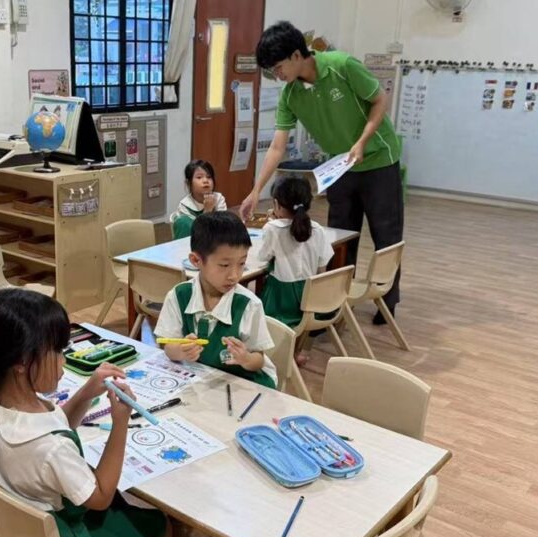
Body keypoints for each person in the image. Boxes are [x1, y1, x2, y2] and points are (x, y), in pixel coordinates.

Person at [0, 289, 170, 537]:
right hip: (66, 533)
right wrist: (120, 423)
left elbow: (54, 424)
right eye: (57, 351)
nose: (63, 361)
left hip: (20, 528)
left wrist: (86, 393)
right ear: (21, 361)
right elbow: (101, 497)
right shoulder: (51, 448)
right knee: (161, 525)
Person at [240, 21, 404, 324]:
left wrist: (362, 141)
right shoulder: (291, 95)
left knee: (386, 234)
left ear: (296, 54)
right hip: (340, 167)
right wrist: (255, 191)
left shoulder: (342, 66)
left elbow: (380, 99)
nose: (277, 75)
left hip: (379, 159)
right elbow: (277, 147)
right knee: (340, 238)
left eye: (278, 67)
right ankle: (333, 304)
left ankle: (387, 301)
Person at [154, 212, 277, 388]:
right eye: (224, 265)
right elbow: (168, 347)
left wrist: (245, 358)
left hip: (243, 384)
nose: (234, 275)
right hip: (203, 381)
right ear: (196, 260)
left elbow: (258, 360)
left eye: (242, 264)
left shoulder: (249, 304)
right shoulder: (178, 296)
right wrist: (181, 351)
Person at [257, 176, 334, 331]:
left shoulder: (273, 228)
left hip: (281, 302)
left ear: (276, 204)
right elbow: (322, 269)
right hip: (312, 301)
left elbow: (262, 258)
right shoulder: (318, 229)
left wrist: (272, 222)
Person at [169, 159, 227, 239]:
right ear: (188, 183)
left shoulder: (218, 198)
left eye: (209, 177)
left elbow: (223, 227)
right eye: (199, 177)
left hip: (216, 240)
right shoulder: (185, 205)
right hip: (193, 242)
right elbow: (196, 232)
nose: (205, 181)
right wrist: (207, 210)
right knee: (183, 222)